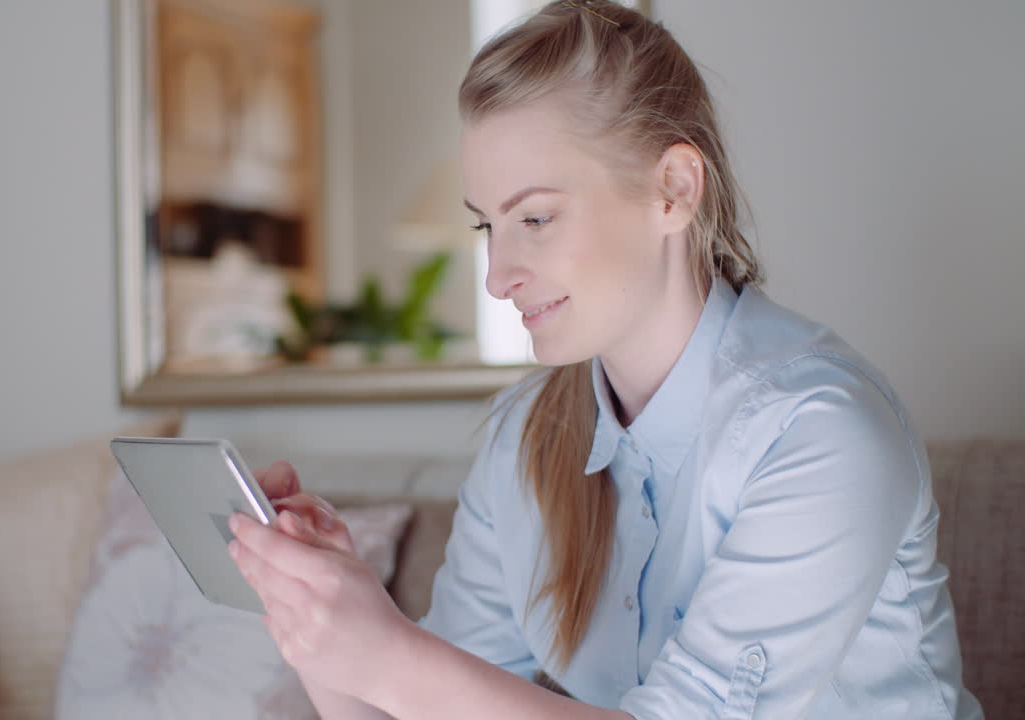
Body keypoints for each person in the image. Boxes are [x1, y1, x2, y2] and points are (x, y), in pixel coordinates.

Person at [226, 1, 982, 718]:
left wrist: (389, 653)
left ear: (674, 191)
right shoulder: (521, 443)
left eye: (536, 217)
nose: (497, 275)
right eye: (488, 226)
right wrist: (318, 615)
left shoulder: (820, 431)